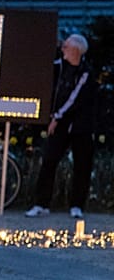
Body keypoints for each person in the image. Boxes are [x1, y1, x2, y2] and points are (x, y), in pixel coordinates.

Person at [26, 34, 98, 220]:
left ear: (75, 51)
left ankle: (76, 205)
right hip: (59, 124)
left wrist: (57, 117)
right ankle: (41, 203)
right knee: (49, 161)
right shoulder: (57, 67)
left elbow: (74, 98)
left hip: (80, 126)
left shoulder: (86, 73)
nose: (63, 49)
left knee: (82, 166)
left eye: (66, 46)